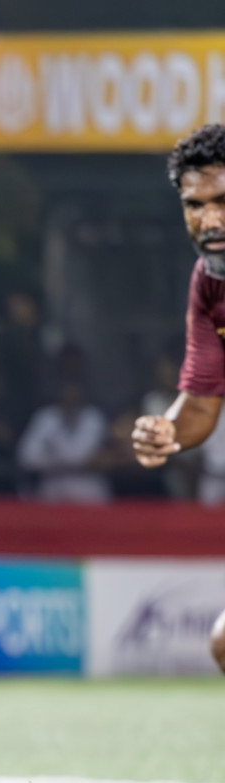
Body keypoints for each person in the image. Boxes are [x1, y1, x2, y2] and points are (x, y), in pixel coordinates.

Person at [132, 124, 225, 671]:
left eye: (222, 202)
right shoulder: (209, 284)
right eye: (196, 205)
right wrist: (166, 429)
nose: (209, 220)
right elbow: (201, 403)